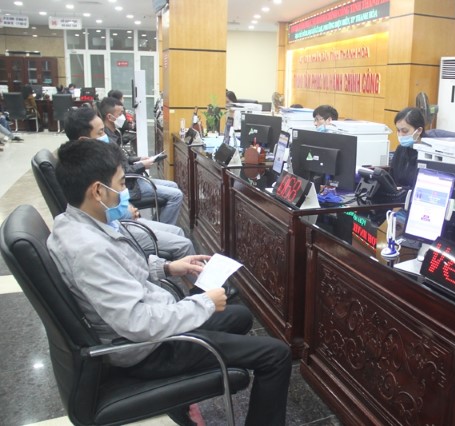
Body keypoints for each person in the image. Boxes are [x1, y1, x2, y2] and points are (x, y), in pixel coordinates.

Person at [48, 139, 292, 425]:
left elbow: (122, 270)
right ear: (98, 191)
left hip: (152, 324)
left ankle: (182, 399)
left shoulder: (75, 223)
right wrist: (204, 302)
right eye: (121, 184)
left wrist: (167, 267)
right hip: (150, 349)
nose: (125, 192)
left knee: (239, 315)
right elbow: (138, 323)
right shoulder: (89, 249)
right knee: (277, 355)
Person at [64, 106, 195, 262]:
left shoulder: (91, 159)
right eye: (100, 132)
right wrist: (126, 211)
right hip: (118, 226)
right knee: (184, 243)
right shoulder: (89, 170)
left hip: (118, 221)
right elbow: (100, 210)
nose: (105, 136)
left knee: (178, 232)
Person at [99, 97, 183, 225]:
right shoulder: (108, 141)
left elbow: (122, 160)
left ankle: (159, 224)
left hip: (133, 179)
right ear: (110, 117)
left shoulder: (115, 134)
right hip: (129, 184)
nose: (124, 117)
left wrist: (138, 159)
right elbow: (123, 172)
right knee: (176, 195)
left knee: (173, 186)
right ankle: (162, 229)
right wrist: (142, 165)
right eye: (120, 114)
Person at [390, 107, 424, 188]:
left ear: (419, 131)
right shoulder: (400, 149)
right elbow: (392, 179)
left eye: (405, 131)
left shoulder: (427, 154)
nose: (400, 135)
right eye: (398, 130)